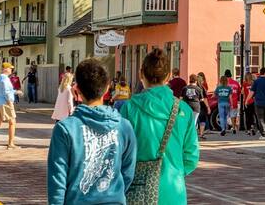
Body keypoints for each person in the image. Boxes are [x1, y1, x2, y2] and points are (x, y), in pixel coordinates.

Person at [47, 59, 137, 205]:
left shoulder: (65, 129)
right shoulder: (124, 126)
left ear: (77, 89)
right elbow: (128, 172)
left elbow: (57, 179)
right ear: (107, 88)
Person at [119, 49, 199, 204]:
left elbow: (119, 153)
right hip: (173, 190)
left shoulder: (129, 109)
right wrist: (175, 171)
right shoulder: (183, 110)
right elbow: (191, 157)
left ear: (141, 74)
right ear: (168, 76)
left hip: (137, 191)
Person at [251, 68, 265, 140]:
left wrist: (247, 100)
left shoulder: (256, 82)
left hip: (258, 102)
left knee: (260, 119)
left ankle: (264, 134)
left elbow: (251, 92)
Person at [181, 74, 206, 140]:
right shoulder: (198, 89)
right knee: (194, 122)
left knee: (186, 121)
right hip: (196, 107)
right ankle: (192, 137)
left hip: (186, 107)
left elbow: (181, 98)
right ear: (196, 81)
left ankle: (186, 136)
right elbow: (202, 99)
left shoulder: (185, 88)